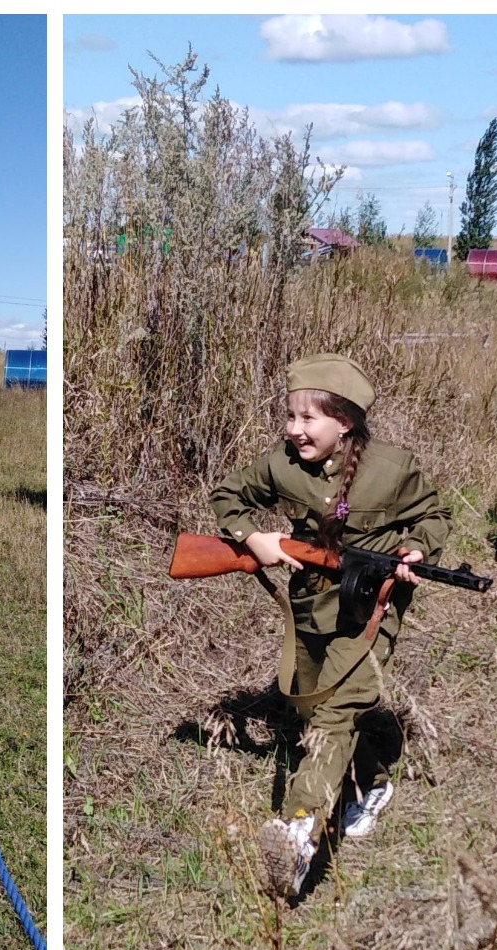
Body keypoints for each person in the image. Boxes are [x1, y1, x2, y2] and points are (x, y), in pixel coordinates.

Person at [209, 353, 450, 898]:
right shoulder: (281, 464)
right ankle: (373, 781)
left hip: (373, 608)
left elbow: (434, 515)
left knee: (339, 707)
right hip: (311, 603)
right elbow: (228, 495)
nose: (294, 430)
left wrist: (417, 548)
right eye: (289, 417)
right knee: (315, 710)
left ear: (345, 422)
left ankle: (297, 828)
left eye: (308, 419)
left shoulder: (391, 468)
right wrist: (255, 538)